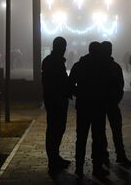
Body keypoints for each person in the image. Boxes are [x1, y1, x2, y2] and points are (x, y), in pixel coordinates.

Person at [69, 42, 110, 178]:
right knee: (97, 137)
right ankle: (96, 167)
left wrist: (79, 93)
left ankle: (79, 167)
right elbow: (109, 85)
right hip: (98, 106)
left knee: (81, 137)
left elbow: (70, 84)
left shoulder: (80, 65)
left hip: (83, 106)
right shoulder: (103, 66)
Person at [41, 37, 71, 174]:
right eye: (63, 47)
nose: (64, 50)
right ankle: (53, 160)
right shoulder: (52, 62)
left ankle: (55, 157)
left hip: (56, 99)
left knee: (58, 128)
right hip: (55, 100)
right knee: (54, 129)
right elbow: (56, 81)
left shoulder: (53, 61)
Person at [100, 41, 131, 166]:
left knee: (101, 131)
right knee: (116, 130)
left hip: (103, 103)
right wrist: (116, 99)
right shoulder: (115, 66)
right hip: (112, 103)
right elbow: (120, 86)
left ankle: (104, 154)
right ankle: (120, 154)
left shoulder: (98, 67)